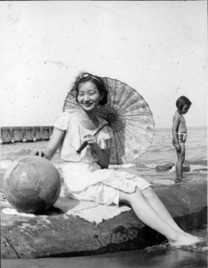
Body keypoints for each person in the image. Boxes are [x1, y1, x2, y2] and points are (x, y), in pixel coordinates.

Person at [35, 72, 201, 247]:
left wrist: (95, 147)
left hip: (97, 173)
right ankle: (173, 237)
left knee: (144, 186)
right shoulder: (66, 119)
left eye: (91, 93)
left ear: (101, 96)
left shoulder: (103, 128)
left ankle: (179, 233)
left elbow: (104, 164)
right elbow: (49, 151)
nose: (86, 98)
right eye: (81, 93)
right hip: (76, 179)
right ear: (76, 96)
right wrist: (41, 155)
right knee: (132, 193)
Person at [172, 96, 192, 183]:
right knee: (180, 159)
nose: (187, 111)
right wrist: (176, 143)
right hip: (179, 140)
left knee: (181, 158)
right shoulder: (177, 116)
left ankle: (179, 176)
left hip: (181, 139)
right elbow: (173, 129)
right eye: (185, 109)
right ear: (180, 107)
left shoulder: (179, 115)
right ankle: (179, 177)